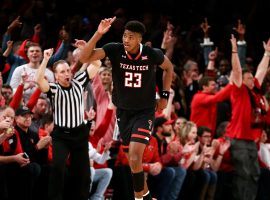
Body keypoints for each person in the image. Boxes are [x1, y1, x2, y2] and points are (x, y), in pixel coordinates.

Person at [76, 17, 173, 200]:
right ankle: (146, 196)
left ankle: (139, 198)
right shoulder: (115, 49)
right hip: (123, 112)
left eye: (130, 37)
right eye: (124, 35)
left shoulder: (151, 54)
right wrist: (98, 33)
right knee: (133, 161)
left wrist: (165, 96)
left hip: (145, 111)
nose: (126, 40)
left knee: (136, 157)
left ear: (139, 39)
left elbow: (169, 68)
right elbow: (84, 57)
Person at [36, 48, 101, 200]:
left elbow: (97, 64)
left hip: (79, 134)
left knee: (83, 173)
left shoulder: (79, 82)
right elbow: (39, 80)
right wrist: (45, 59)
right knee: (58, 167)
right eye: (62, 72)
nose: (67, 74)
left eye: (67, 71)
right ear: (56, 76)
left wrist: (89, 48)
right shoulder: (54, 89)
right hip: (61, 135)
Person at [226, 34, 270, 200]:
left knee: (254, 174)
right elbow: (237, 70)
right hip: (239, 139)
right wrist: (235, 51)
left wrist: (267, 54)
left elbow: (261, 71)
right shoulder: (239, 90)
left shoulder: (254, 90)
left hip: (250, 140)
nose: (253, 79)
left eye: (252, 77)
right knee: (244, 175)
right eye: (249, 78)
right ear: (242, 81)